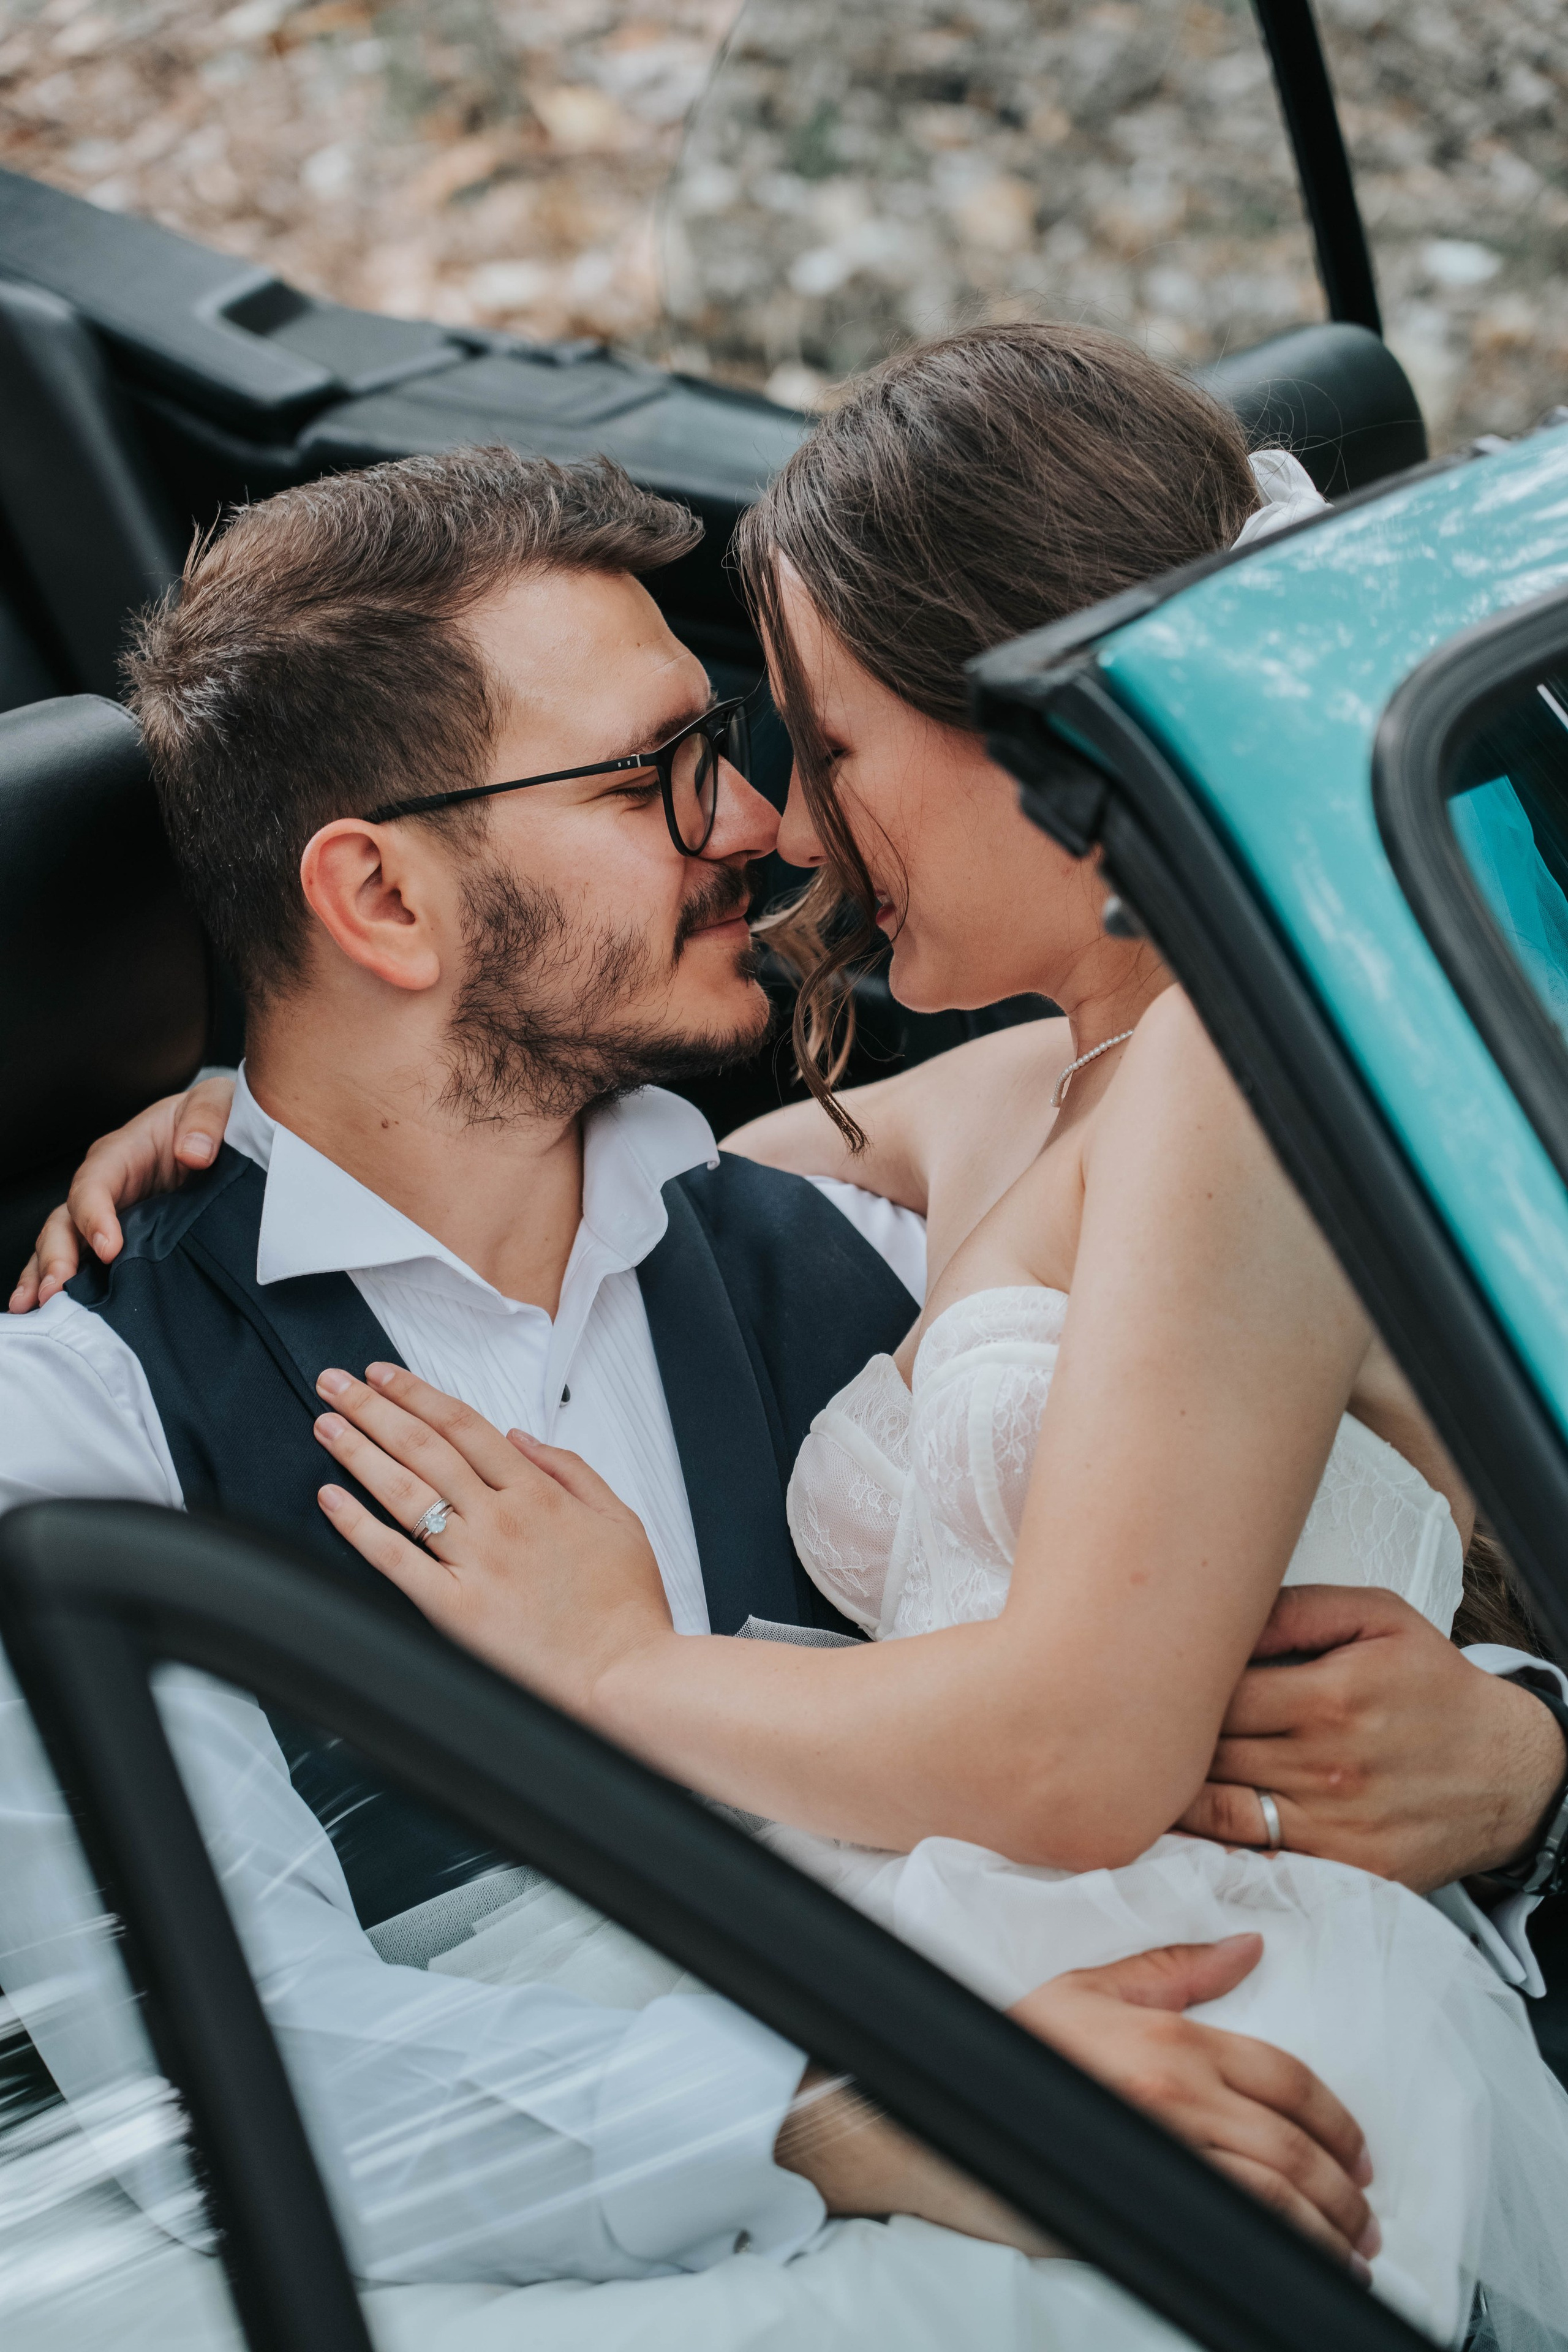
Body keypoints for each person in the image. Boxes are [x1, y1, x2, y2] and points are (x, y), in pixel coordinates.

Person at [194, 331, 1568, 2348]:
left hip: (1220, 2004)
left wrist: (611, 1663)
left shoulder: (1224, 1068)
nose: (786, 825)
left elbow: (1080, 1750)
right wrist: (221, 1133)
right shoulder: (1017, 1096)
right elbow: (563, 1150)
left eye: (825, 747)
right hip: (973, 1950)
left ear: (1049, 728)